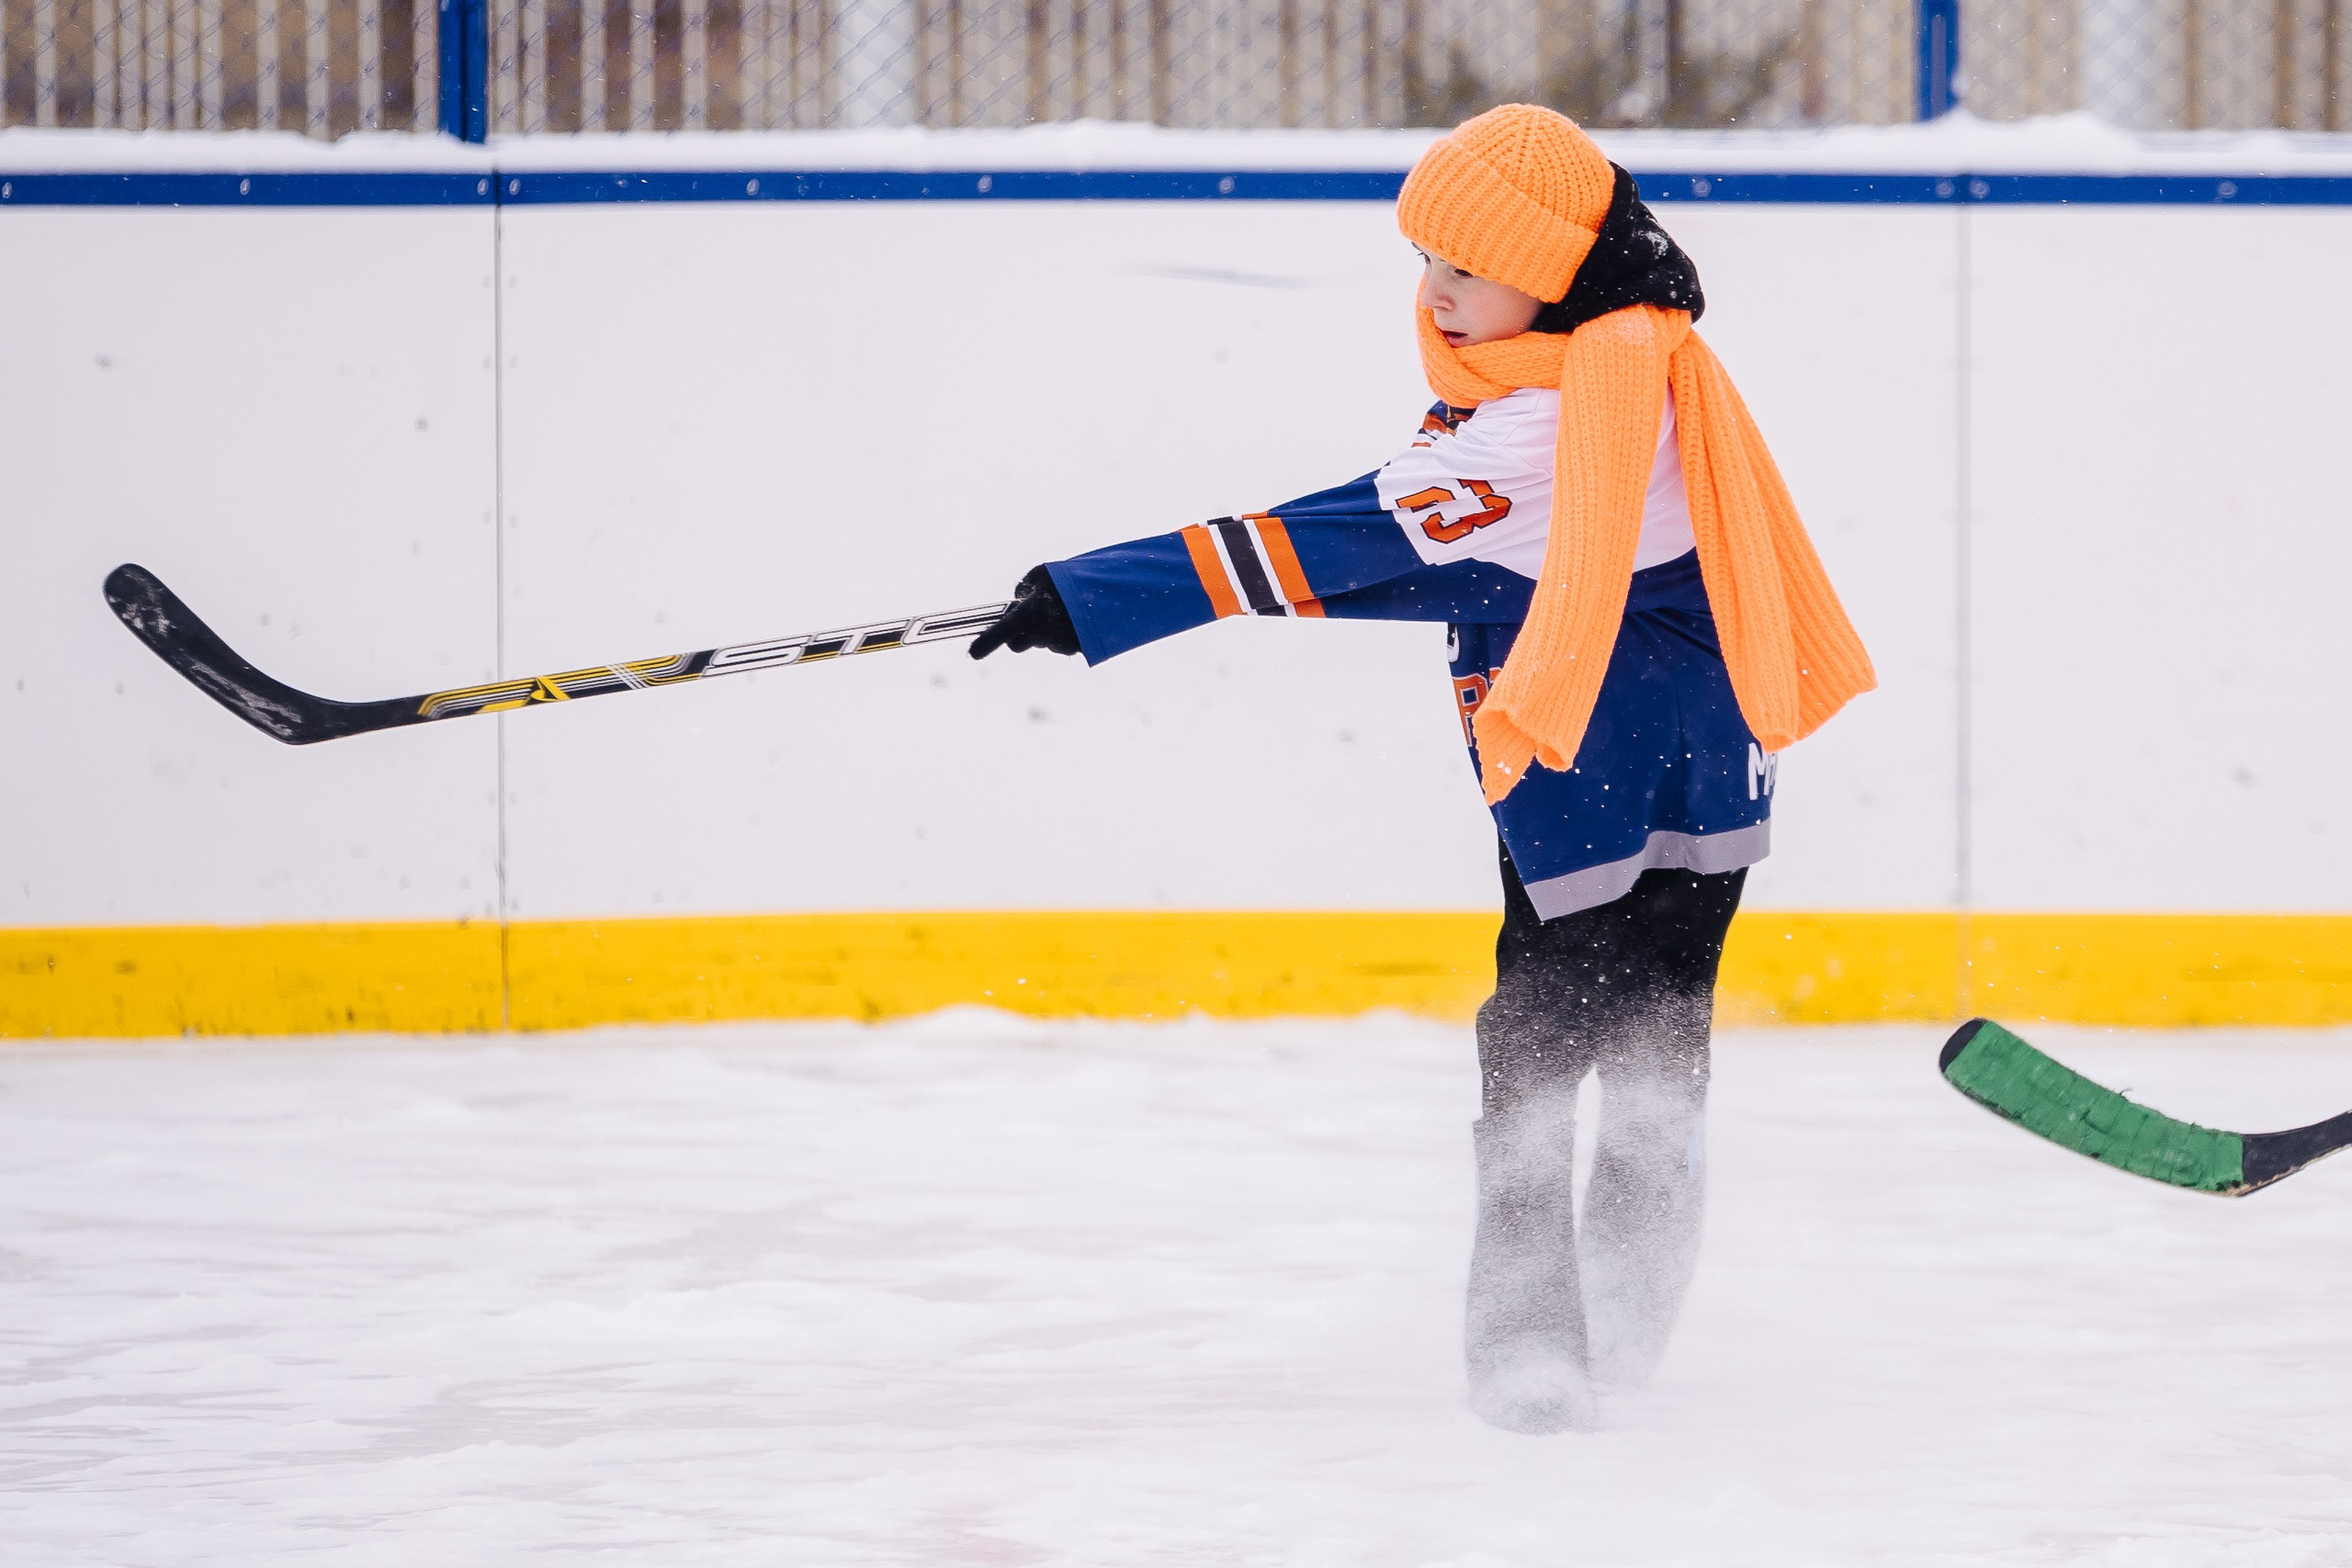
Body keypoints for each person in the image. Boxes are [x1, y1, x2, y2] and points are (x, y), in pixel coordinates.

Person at [969, 104, 1874, 1433]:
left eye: (1465, 263)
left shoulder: (1539, 427)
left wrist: (1094, 595)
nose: (1435, 289)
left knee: (1540, 1038)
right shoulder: (1649, 361)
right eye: (1424, 257)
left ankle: (1531, 1346)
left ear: (1554, 271)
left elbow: (1328, 543)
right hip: (1713, 757)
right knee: (1662, 1024)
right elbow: (1437, 561)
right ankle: (1628, 1307)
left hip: (1596, 768)